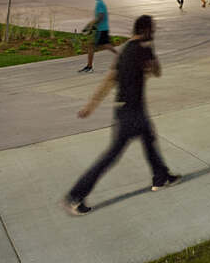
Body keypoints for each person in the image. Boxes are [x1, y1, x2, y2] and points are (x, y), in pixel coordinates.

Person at [61, 15, 181, 215]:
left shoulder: (125, 50)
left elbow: (109, 80)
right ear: (145, 30)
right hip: (132, 113)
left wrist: (91, 105)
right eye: (152, 29)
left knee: (149, 139)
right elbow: (157, 72)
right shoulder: (143, 50)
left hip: (125, 109)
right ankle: (75, 196)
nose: (154, 32)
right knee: (111, 156)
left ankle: (161, 177)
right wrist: (152, 51)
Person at [79, 0, 116, 73]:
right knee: (105, 45)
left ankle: (89, 67)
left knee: (94, 46)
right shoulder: (100, 3)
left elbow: (100, 17)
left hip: (101, 29)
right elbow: (99, 17)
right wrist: (90, 25)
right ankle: (123, 56)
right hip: (102, 29)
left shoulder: (100, 4)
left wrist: (90, 25)